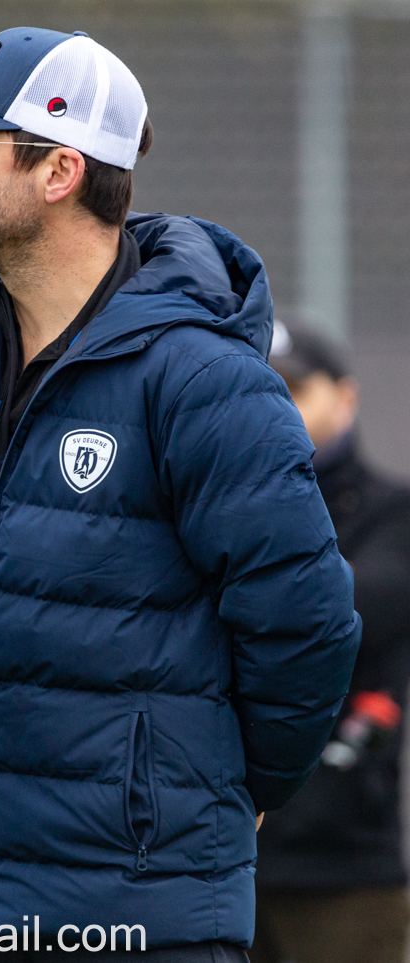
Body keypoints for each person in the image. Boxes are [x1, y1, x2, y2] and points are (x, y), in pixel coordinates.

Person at [0, 28, 361, 960]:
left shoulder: (201, 377)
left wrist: (225, 795)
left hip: (147, 925)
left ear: (59, 171)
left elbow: (306, 622)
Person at [250, 321, 410, 963]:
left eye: (293, 389)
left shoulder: (393, 513)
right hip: (221, 857)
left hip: (344, 863)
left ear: (345, 397)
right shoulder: (219, 505)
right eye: (263, 390)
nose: (277, 406)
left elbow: (343, 612)